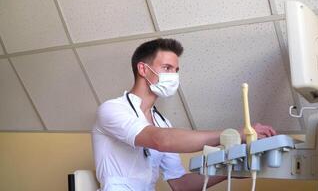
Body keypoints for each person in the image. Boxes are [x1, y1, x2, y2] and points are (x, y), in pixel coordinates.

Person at [92, 38, 277, 191]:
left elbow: (180, 185)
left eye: (176, 70)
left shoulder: (162, 122)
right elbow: (161, 140)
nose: (174, 76)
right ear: (143, 69)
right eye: (167, 68)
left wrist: (233, 168)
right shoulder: (112, 109)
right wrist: (233, 135)